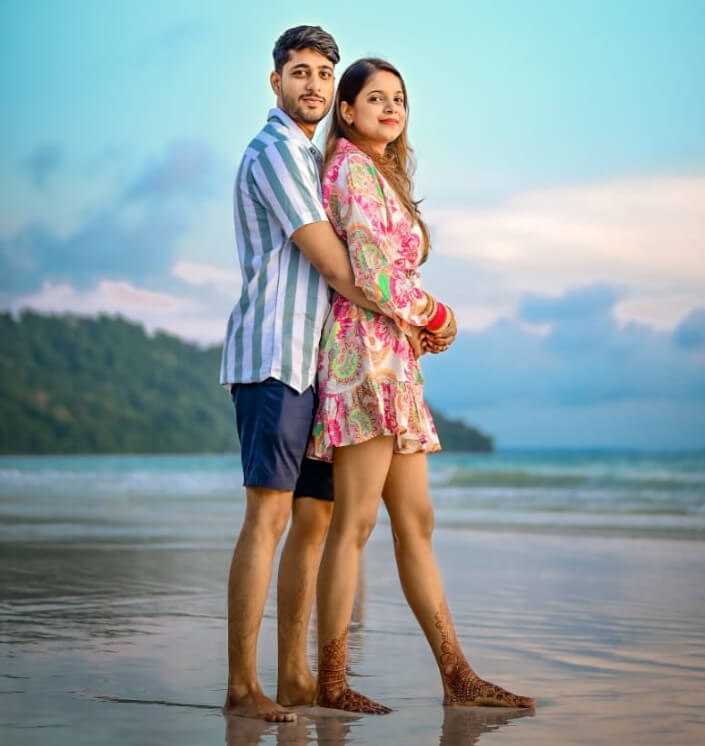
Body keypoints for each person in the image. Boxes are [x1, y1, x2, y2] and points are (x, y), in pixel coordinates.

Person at [218, 27, 444, 723]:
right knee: (270, 515)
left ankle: (295, 677)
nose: (312, 85)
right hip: (275, 354)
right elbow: (334, 264)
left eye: (322, 73)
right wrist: (417, 314)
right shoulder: (278, 154)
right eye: (300, 73)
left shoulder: (314, 159)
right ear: (275, 82)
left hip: (317, 361)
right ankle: (240, 685)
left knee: (313, 520)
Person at [308, 58, 535, 714]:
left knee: (417, 521)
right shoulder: (349, 170)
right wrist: (436, 315)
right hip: (362, 361)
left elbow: (387, 281)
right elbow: (372, 276)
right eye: (374, 97)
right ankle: (332, 680)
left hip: (393, 358)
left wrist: (417, 330)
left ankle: (457, 676)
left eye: (398, 98)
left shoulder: (383, 175)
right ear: (345, 111)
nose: (390, 106)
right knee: (352, 522)